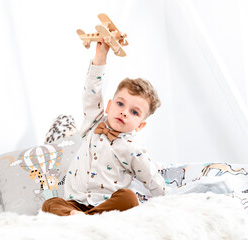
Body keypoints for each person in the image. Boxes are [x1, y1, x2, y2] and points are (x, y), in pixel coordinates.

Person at [42, 39, 166, 216]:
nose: (124, 112)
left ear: (140, 125)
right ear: (109, 106)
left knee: (129, 198)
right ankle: (79, 217)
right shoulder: (94, 123)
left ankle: (87, 218)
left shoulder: (134, 149)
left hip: (108, 206)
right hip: (74, 203)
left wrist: (168, 201)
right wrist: (100, 57)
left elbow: (151, 177)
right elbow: (91, 93)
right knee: (50, 203)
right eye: (120, 104)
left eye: (134, 112)